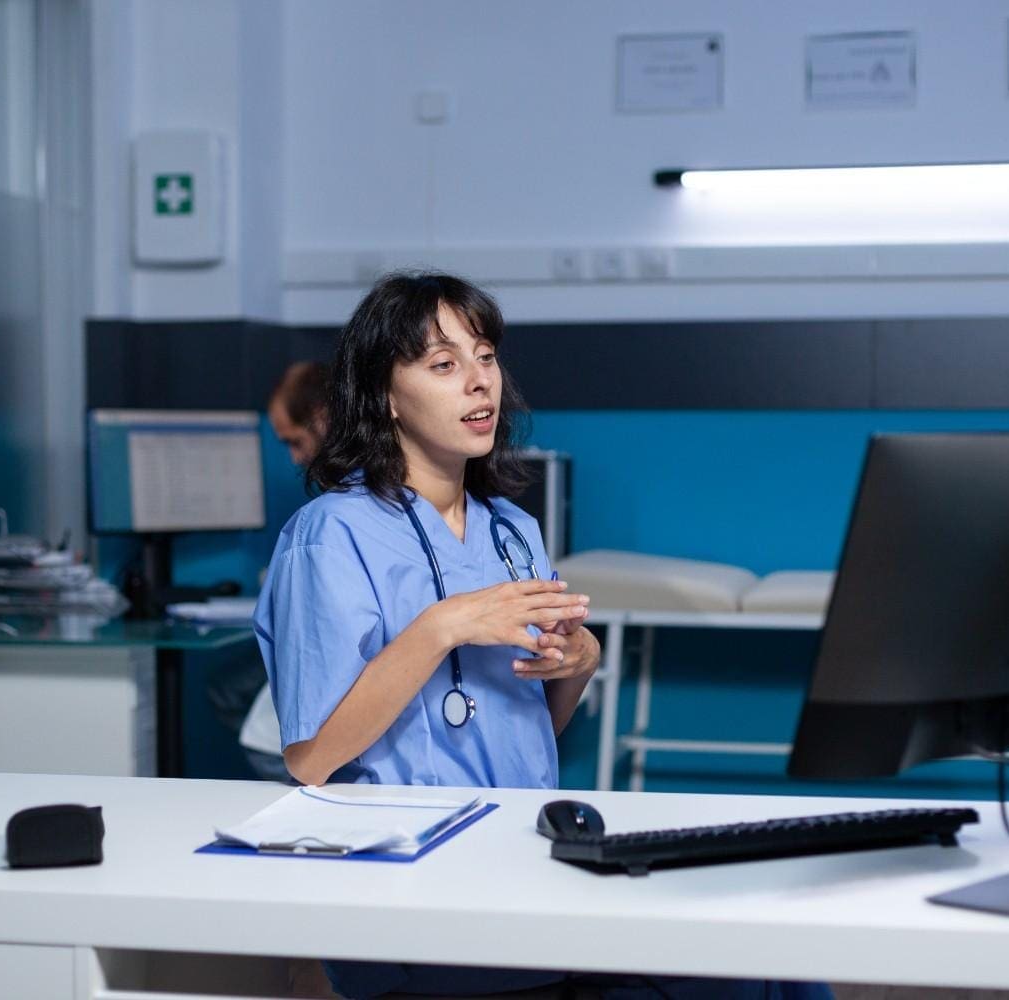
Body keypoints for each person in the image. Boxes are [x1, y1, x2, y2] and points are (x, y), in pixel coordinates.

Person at [254, 272, 831, 1000]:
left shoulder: (511, 530)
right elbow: (312, 757)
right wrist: (442, 627)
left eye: (486, 357)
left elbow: (531, 726)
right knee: (742, 979)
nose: (477, 382)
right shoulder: (330, 536)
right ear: (386, 396)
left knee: (773, 951)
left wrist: (577, 664)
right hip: (410, 889)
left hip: (524, 861)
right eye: (442, 364)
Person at [208, 361, 329, 782]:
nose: (297, 458)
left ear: (323, 420)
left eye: (296, 441)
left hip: (316, 725)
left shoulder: (334, 519)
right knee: (227, 689)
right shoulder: (324, 520)